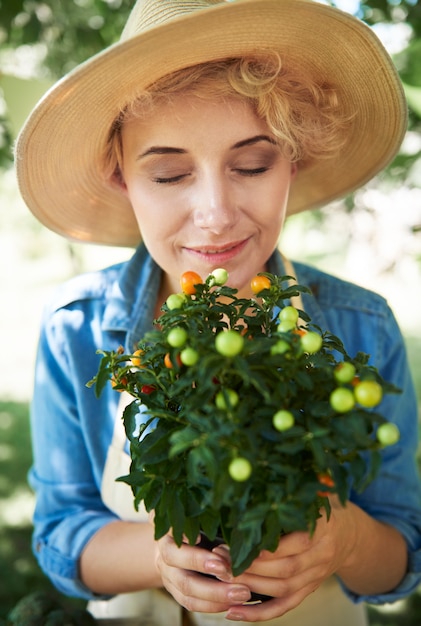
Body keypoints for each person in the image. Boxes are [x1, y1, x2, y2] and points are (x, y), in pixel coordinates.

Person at [15, 0, 421, 624]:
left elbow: (401, 555)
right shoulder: (76, 328)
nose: (215, 212)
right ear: (122, 175)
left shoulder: (360, 325)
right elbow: (62, 535)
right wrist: (160, 556)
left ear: (295, 158)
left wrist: (346, 539)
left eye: (252, 164)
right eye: (170, 174)